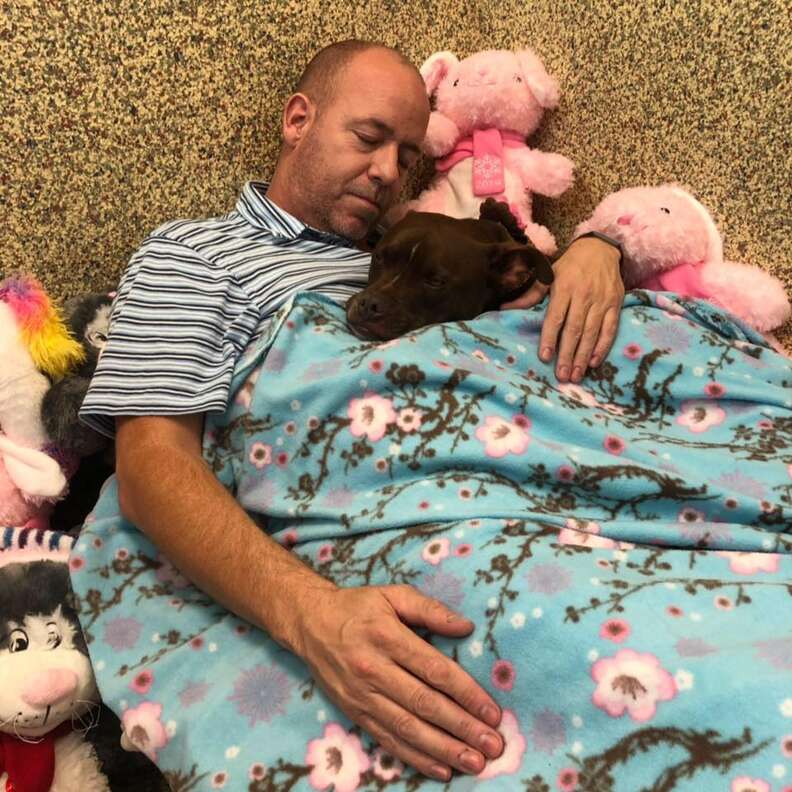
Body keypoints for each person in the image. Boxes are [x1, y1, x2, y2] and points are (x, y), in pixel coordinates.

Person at [80, 40, 624, 782]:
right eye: (369, 139)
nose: (388, 174)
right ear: (298, 119)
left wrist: (597, 251)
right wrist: (316, 618)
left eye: (406, 157)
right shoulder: (196, 255)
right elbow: (150, 467)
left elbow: (520, 298)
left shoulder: (417, 244)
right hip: (346, 540)